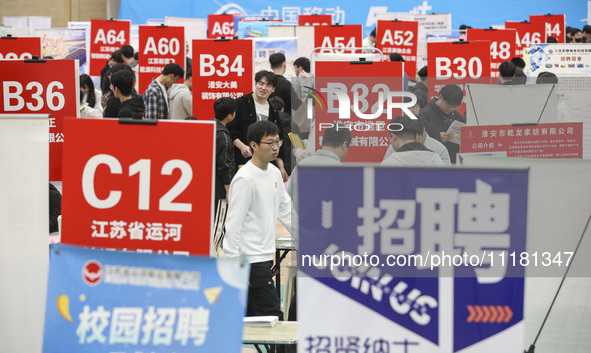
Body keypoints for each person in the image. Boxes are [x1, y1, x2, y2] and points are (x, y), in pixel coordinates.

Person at [222, 120, 294, 324]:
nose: (275, 147)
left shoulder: (273, 173)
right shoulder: (244, 178)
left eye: (277, 142)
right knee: (273, 319)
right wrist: (234, 265)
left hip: (264, 257)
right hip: (248, 261)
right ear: (253, 145)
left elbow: (286, 209)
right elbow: (233, 224)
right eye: (269, 143)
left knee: (254, 323)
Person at [227, 70, 288, 181]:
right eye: (261, 83)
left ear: (273, 89)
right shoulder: (240, 103)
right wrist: (242, 146)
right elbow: (230, 131)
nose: (263, 88)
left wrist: (281, 167)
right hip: (243, 162)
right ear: (255, 84)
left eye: (268, 85)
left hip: (266, 165)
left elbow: (279, 139)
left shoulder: (273, 109)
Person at [288, 123, 351, 209]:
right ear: (344, 145)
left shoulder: (300, 167)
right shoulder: (344, 174)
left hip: (300, 221)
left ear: (323, 141)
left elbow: (288, 202)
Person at [211, 97, 237, 255]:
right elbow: (225, 167)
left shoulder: (206, 128)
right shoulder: (223, 137)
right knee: (217, 230)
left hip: (206, 188)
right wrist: (229, 191)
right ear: (230, 115)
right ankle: (212, 260)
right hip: (219, 191)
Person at [419, 84, 465, 164]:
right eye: (448, 106)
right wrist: (437, 137)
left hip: (455, 161)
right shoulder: (425, 114)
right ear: (440, 97)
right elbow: (418, 137)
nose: (451, 109)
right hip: (433, 162)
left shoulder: (456, 115)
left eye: (455, 107)